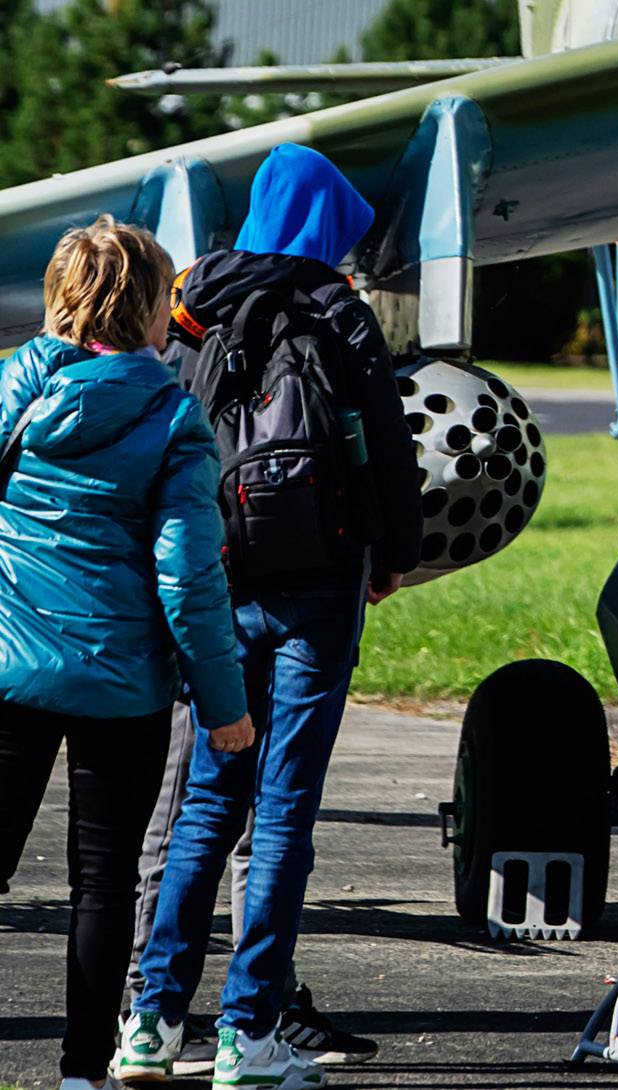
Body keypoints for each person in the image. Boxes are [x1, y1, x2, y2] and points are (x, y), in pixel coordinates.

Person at [121, 146, 423, 1090]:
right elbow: (386, 444)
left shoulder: (191, 301)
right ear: (325, 224)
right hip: (321, 588)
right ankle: (249, 1033)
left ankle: (151, 1023)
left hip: (219, 584)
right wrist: (394, 554)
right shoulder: (338, 309)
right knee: (284, 810)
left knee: (207, 803)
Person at [0, 218, 253, 1090]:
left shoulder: (17, 389)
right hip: (124, 684)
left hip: (10, 667)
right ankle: (83, 1073)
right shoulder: (174, 416)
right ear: (151, 308)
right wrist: (224, 706)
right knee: (104, 885)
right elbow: (189, 577)